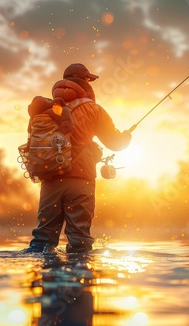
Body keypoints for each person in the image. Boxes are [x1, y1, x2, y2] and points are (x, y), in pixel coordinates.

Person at [26, 63, 132, 253]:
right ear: (85, 82)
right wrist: (126, 136)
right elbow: (115, 143)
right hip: (81, 180)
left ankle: (43, 277)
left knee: (42, 240)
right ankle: (78, 278)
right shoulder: (94, 109)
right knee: (80, 241)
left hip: (50, 179)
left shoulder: (47, 107)